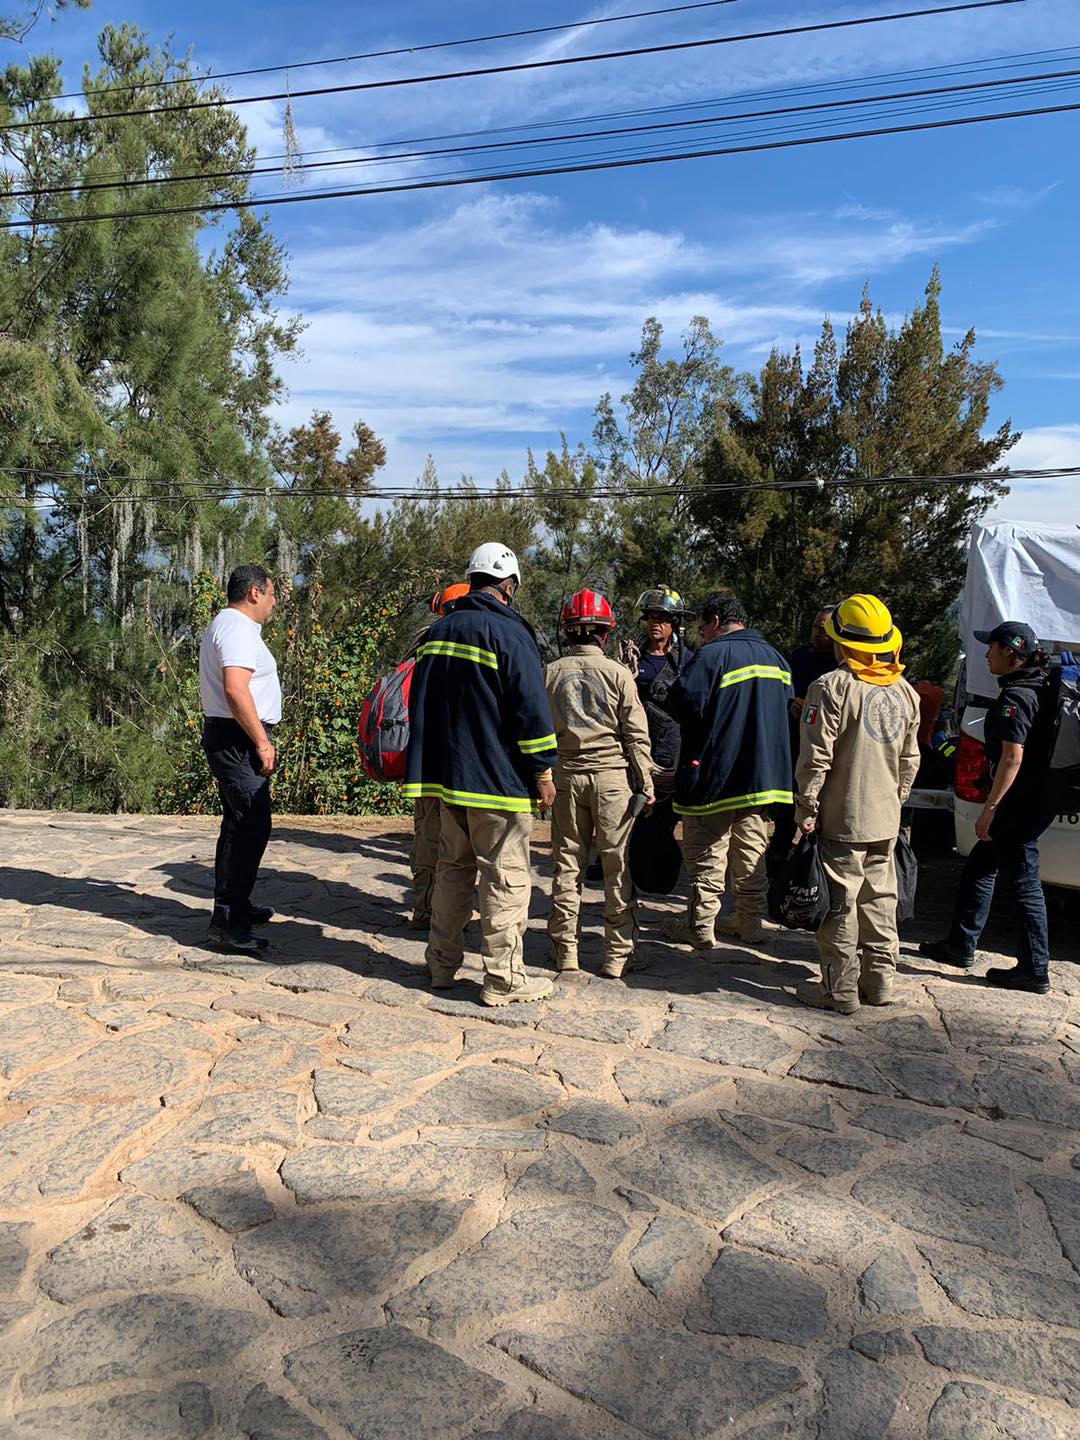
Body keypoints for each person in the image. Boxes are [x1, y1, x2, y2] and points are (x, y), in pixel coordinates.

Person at [404, 543, 557, 1006]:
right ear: (508, 587)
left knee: (452, 872)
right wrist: (543, 773)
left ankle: (441, 966)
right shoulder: (510, 634)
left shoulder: (437, 632)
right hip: (498, 783)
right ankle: (504, 979)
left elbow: (420, 704)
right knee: (505, 878)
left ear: (472, 581)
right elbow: (530, 712)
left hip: (449, 783)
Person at [793, 594, 921, 1014]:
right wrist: (895, 802)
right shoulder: (906, 692)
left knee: (840, 905)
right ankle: (880, 983)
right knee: (880, 900)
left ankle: (839, 990)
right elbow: (910, 760)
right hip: (885, 819)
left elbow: (816, 758)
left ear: (842, 642)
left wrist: (806, 810)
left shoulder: (831, 688)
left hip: (842, 818)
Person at [919, 621, 1057, 994]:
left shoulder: (1017, 697)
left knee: (1024, 883)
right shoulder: (1039, 683)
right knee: (981, 865)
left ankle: (1034, 968)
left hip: (1019, 803)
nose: (985, 654)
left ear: (1010, 654)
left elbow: (1012, 758)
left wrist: (990, 807)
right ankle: (959, 945)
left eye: (992, 648)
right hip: (1036, 799)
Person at [662, 592, 793, 948]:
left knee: (707, 853)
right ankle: (751, 924)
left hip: (716, 774)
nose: (701, 634)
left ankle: (700, 928)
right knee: (751, 851)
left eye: (703, 626)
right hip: (761, 779)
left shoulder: (712, 655)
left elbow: (682, 704)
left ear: (716, 620)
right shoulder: (776, 658)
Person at [545, 589, 655, 979]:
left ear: (568, 632)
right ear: (606, 634)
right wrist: (646, 782)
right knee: (617, 867)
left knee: (567, 865)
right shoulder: (620, 674)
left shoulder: (550, 673)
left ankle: (565, 951)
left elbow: (539, 732)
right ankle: (617, 956)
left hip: (566, 779)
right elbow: (636, 736)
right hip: (612, 782)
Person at [199, 564, 282, 954]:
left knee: (238, 824)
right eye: (271, 593)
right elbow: (236, 689)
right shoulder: (235, 628)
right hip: (237, 739)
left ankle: (236, 904)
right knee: (251, 824)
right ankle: (228, 922)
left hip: (233, 736)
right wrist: (262, 742)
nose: (273, 601)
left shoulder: (233, 626)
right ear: (254, 593)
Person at [408, 582, 470, 929]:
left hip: (426, 760)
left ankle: (424, 908)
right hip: (457, 760)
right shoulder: (469, 641)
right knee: (453, 841)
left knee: (427, 837)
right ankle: (443, 911)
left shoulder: (425, 643)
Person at [770, 605, 838, 858]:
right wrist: (791, 706)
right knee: (788, 806)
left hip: (826, 747)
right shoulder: (797, 658)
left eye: (825, 629)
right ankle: (779, 852)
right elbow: (781, 692)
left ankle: (817, 858)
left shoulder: (840, 666)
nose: (818, 633)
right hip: (795, 743)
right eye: (815, 627)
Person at [623, 586, 694, 783]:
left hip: (671, 748)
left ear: (674, 623)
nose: (656, 623)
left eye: (662, 619)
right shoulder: (631, 659)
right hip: (634, 744)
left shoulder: (687, 661)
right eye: (652, 617)